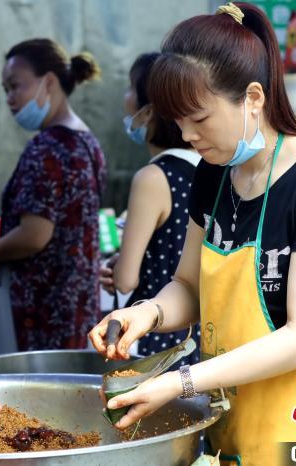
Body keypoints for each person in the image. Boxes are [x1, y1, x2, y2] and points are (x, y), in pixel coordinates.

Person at [89, 3, 296, 465]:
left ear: (253, 98)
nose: (189, 136)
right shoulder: (214, 174)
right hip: (232, 430)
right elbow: (190, 286)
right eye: (178, 123)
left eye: (199, 120)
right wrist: (150, 312)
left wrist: (183, 381)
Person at [0, 38, 106, 350]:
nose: (10, 98)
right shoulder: (87, 142)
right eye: (5, 90)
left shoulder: (47, 147)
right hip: (79, 304)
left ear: (48, 82)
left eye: (15, 86)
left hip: (43, 312)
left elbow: (34, 235)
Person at [100, 53, 200, 362]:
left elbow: (127, 279)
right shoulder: (209, 169)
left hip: (156, 334)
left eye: (130, 88)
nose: (125, 98)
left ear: (150, 110)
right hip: (198, 336)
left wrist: (118, 268)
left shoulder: (153, 178)